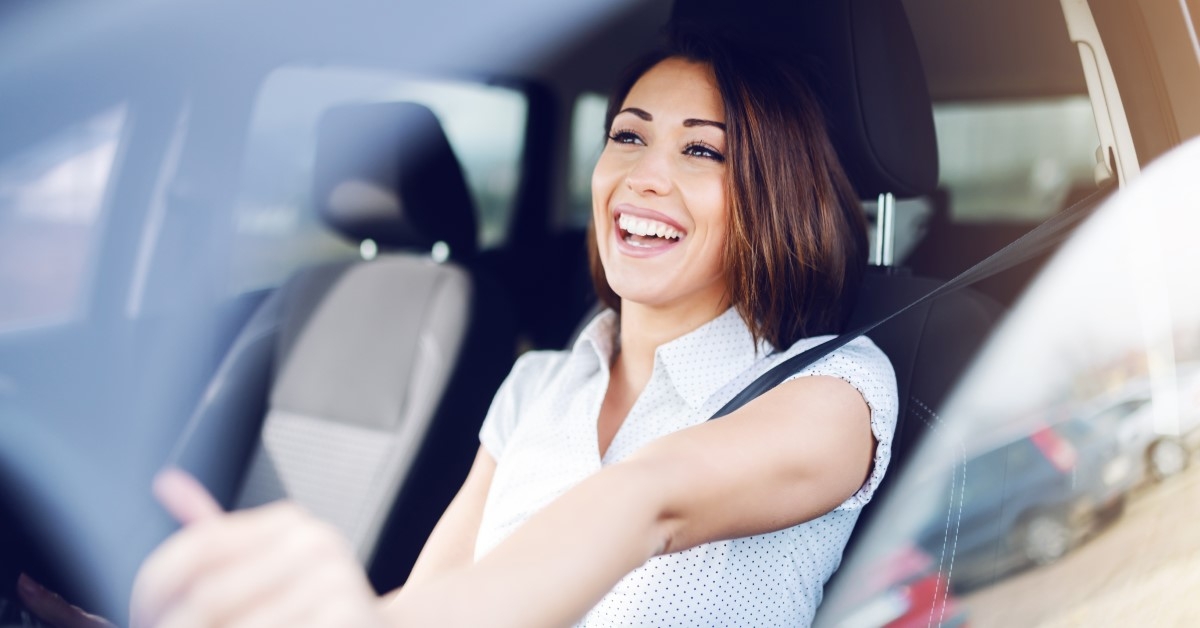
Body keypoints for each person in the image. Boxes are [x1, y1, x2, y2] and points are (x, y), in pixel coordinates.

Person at [19, 31, 897, 627]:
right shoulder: (537, 386)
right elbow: (427, 606)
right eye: (628, 137)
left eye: (702, 151)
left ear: (772, 198)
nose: (643, 176)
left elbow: (648, 502)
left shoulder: (836, 390)